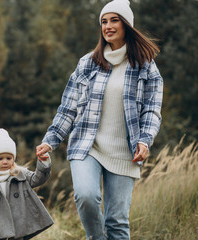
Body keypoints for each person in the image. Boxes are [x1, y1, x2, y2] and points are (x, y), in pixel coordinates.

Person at [36, 0, 163, 239]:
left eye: (114, 20)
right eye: (104, 21)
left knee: (117, 221)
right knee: (86, 197)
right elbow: (68, 108)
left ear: (127, 25)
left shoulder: (146, 67)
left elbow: (152, 111)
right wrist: (50, 140)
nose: (108, 26)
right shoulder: (88, 63)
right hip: (87, 145)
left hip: (126, 151)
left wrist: (145, 141)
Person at [0, 128, 54, 240]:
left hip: (18, 225)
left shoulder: (20, 173)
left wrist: (43, 162)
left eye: (9, 158)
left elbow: (37, 179)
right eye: (0, 158)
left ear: (13, 158)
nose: (5, 161)